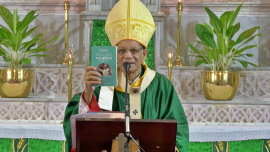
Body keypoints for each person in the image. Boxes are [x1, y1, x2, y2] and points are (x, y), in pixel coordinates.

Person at [63, 0, 189, 152]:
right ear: (115, 55)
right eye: (122, 51)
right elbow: (77, 126)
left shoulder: (161, 86)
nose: (127, 56)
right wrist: (88, 92)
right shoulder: (103, 82)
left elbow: (178, 130)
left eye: (134, 51)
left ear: (144, 54)